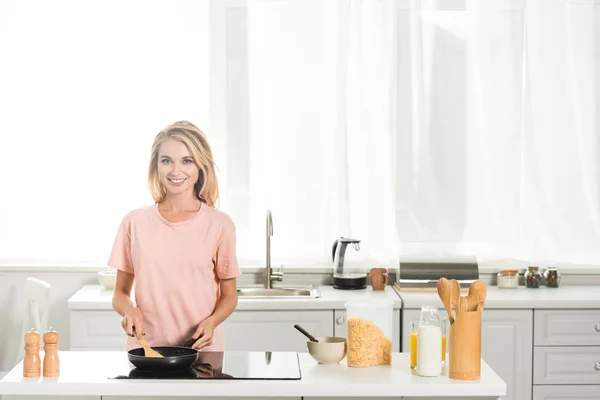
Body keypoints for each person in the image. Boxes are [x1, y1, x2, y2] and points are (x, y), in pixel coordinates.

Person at [108, 120, 240, 351]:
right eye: (166, 161)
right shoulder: (134, 223)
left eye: (186, 161)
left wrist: (212, 322)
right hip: (146, 349)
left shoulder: (220, 225)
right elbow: (120, 293)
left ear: (200, 166)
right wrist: (130, 310)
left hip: (201, 350)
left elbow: (229, 296)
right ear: (156, 166)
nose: (175, 171)